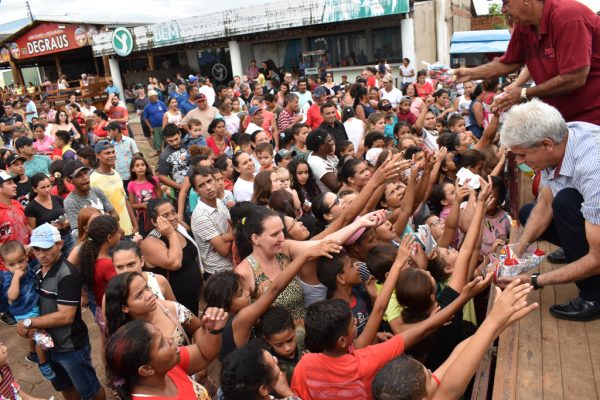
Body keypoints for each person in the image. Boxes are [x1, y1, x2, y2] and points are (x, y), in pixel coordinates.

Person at [497, 100, 600, 321]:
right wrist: (520, 247)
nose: (520, 161)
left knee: (565, 202)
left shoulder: (593, 168)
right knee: (529, 212)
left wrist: (535, 280)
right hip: (592, 218)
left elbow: (598, 258)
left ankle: (594, 297)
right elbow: (544, 202)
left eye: (522, 155)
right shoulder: (559, 141)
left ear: (546, 145)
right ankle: (574, 248)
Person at [371, 280, 538, 400]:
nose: (431, 372)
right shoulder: (443, 395)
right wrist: (494, 321)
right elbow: (451, 387)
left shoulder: (423, 390)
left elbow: (457, 356)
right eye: (429, 375)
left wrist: (500, 323)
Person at [453, 0, 600, 124]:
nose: (503, 10)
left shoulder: (568, 17)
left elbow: (575, 77)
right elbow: (509, 62)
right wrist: (469, 73)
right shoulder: (524, 26)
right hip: (561, 119)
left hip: (592, 121)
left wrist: (524, 93)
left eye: (506, 2)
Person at [16, 223, 106, 400]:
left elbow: (66, 316)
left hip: (70, 347)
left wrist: (28, 322)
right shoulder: (36, 270)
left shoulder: (67, 274)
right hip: (47, 346)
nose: (41, 255)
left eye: (46, 248)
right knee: (65, 387)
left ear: (60, 244)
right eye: (36, 249)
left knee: (91, 391)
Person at [105, 314, 226, 400]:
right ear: (146, 369)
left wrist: (214, 330)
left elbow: (202, 353)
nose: (171, 339)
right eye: (161, 343)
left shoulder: (166, 365)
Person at [0, 240, 55, 380]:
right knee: (42, 340)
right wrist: (16, 278)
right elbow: (11, 296)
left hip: (33, 307)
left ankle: (33, 354)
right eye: (12, 264)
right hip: (24, 314)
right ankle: (44, 364)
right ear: (5, 265)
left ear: (26, 258)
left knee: (33, 336)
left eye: (20, 261)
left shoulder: (28, 268)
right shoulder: (8, 277)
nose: (18, 266)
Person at [141, 199, 204, 315]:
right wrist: (170, 234)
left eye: (173, 212)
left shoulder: (179, 229)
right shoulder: (150, 242)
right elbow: (175, 263)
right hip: (176, 306)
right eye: (165, 216)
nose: (172, 218)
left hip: (195, 299)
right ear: (154, 222)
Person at [190, 167, 234, 276]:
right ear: (196, 190)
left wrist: (223, 238)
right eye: (201, 185)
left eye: (209, 181)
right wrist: (233, 235)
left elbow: (232, 225)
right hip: (219, 273)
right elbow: (224, 251)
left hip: (232, 264)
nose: (208, 187)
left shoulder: (218, 201)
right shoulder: (201, 217)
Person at [221, 341, 299, 400]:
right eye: (273, 362)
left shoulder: (230, 389)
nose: (276, 359)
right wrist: (287, 392)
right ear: (264, 388)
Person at [90, 140, 137, 237]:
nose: (112, 155)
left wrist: (135, 224)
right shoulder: (93, 179)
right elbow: (98, 211)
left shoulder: (116, 173)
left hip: (129, 229)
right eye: (107, 153)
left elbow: (125, 200)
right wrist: (116, 228)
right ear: (97, 156)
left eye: (113, 152)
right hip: (113, 233)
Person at [63, 160, 117, 237]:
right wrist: (106, 218)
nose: (85, 178)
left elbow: (115, 215)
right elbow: (78, 233)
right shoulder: (70, 202)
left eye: (86, 173)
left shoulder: (96, 190)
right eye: (78, 176)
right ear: (69, 180)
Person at [25, 173, 74, 257]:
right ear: (34, 189)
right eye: (43, 187)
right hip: (49, 244)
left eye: (48, 186)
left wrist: (67, 222)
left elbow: (70, 214)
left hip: (67, 237)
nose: (47, 190)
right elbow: (33, 230)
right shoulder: (31, 208)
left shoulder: (57, 199)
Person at [128, 155, 163, 236]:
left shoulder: (153, 180)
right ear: (133, 169)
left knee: (160, 234)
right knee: (146, 236)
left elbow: (160, 198)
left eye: (142, 165)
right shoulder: (131, 184)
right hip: (142, 218)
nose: (140, 167)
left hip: (156, 213)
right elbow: (131, 205)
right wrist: (143, 205)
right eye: (137, 166)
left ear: (146, 167)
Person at [105, 121, 139, 188]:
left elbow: (136, 156)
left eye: (109, 131)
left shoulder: (129, 141)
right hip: (119, 176)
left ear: (116, 130)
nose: (108, 133)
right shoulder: (110, 145)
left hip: (132, 175)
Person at [143, 90, 167, 156]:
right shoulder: (147, 107)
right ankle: (160, 160)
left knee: (167, 143)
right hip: (155, 128)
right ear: (150, 97)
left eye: (156, 95)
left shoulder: (162, 103)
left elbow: (167, 113)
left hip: (164, 126)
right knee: (158, 146)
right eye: (155, 96)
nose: (156, 96)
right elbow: (145, 119)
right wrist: (150, 128)